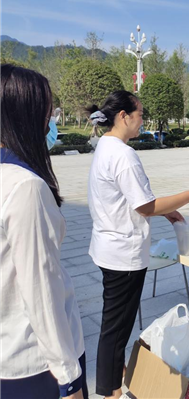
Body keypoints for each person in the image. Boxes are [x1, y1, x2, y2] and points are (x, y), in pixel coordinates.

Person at [86, 91, 189, 399]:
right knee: (116, 329)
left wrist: (165, 210)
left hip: (108, 246)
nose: (143, 119)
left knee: (114, 324)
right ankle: (111, 391)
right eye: (140, 114)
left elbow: (131, 199)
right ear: (124, 116)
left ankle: (116, 375)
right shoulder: (123, 154)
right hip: (123, 254)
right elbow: (144, 206)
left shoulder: (106, 146)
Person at [0, 64, 87, 399]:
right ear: (23, 118)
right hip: (36, 365)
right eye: (47, 114)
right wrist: (69, 379)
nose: (50, 124)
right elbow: (41, 293)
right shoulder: (25, 188)